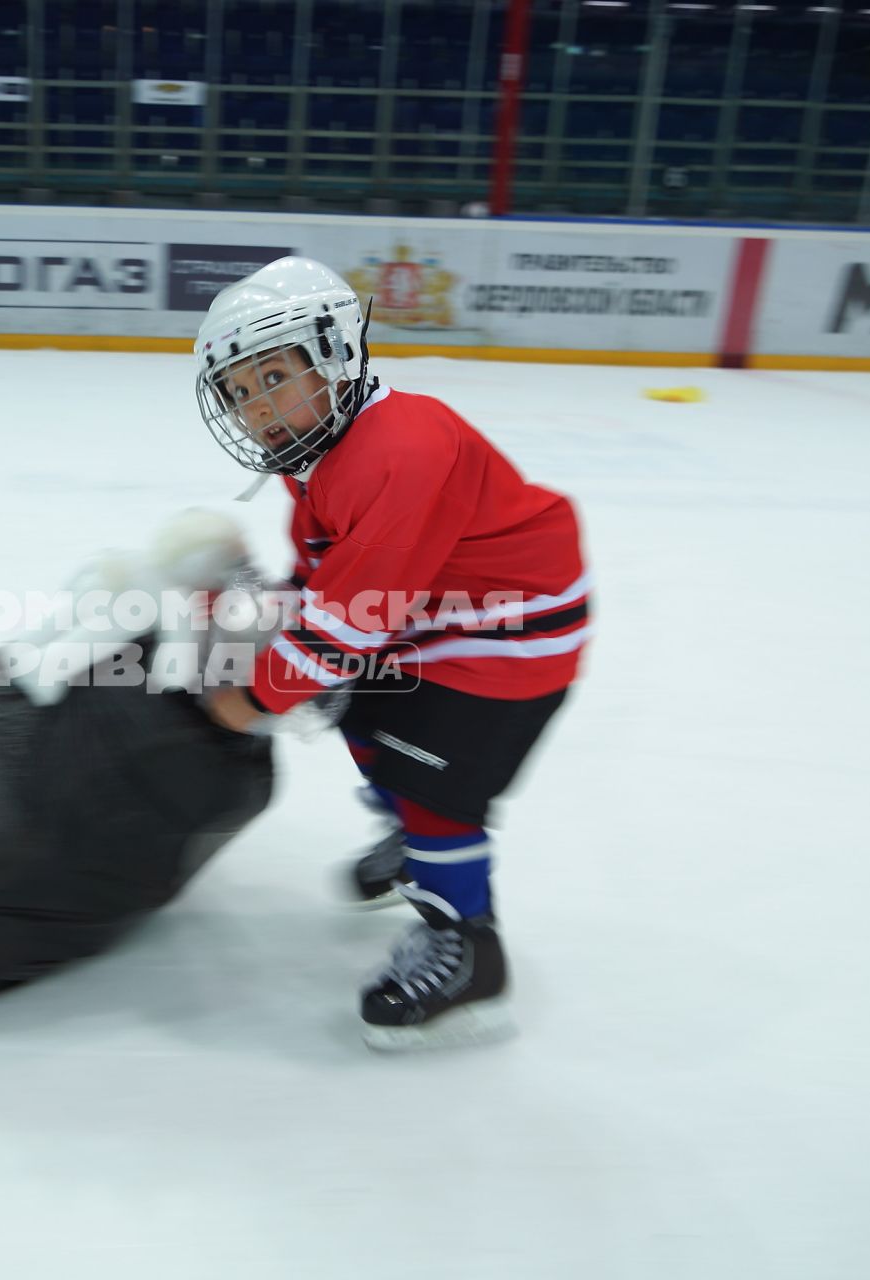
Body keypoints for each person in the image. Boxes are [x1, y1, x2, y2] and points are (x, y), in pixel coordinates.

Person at [192, 257, 591, 1051]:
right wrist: (256, 611)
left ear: (334, 356)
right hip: (438, 620)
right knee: (361, 712)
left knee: (434, 783)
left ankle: (469, 951)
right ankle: (415, 833)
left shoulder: (396, 450)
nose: (258, 406)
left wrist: (254, 695)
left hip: (506, 637)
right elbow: (330, 585)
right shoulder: (324, 451)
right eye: (239, 390)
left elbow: (343, 625)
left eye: (272, 376)